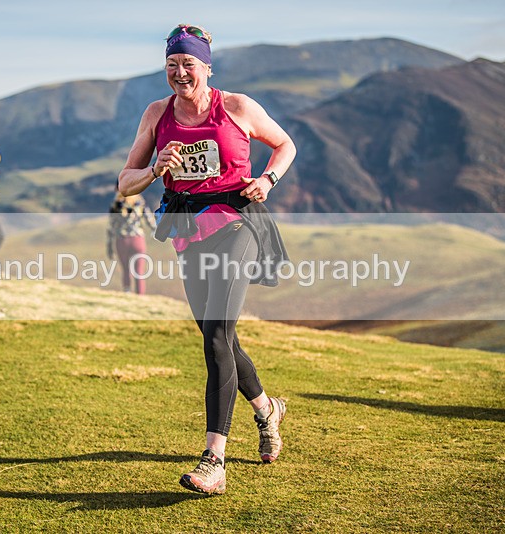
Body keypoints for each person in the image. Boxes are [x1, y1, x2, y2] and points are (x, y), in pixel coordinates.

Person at [118, 24, 297, 495]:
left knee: (216, 335)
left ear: (207, 67)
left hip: (238, 224)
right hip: (188, 231)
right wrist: (156, 168)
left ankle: (213, 460)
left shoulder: (237, 107)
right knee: (220, 339)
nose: (180, 73)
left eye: (189, 64)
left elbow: (285, 144)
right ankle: (267, 410)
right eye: (172, 65)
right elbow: (125, 182)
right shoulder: (157, 115)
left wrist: (268, 179)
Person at [106, 190, 156, 294]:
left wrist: (109, 246)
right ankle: (140, 296)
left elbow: (111, 226)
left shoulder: (116, 204)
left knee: (125, 270)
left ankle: (127, 293)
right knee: (139, 271)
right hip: (138, 240)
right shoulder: (139, 202)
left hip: (121, 240)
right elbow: (150, 220)